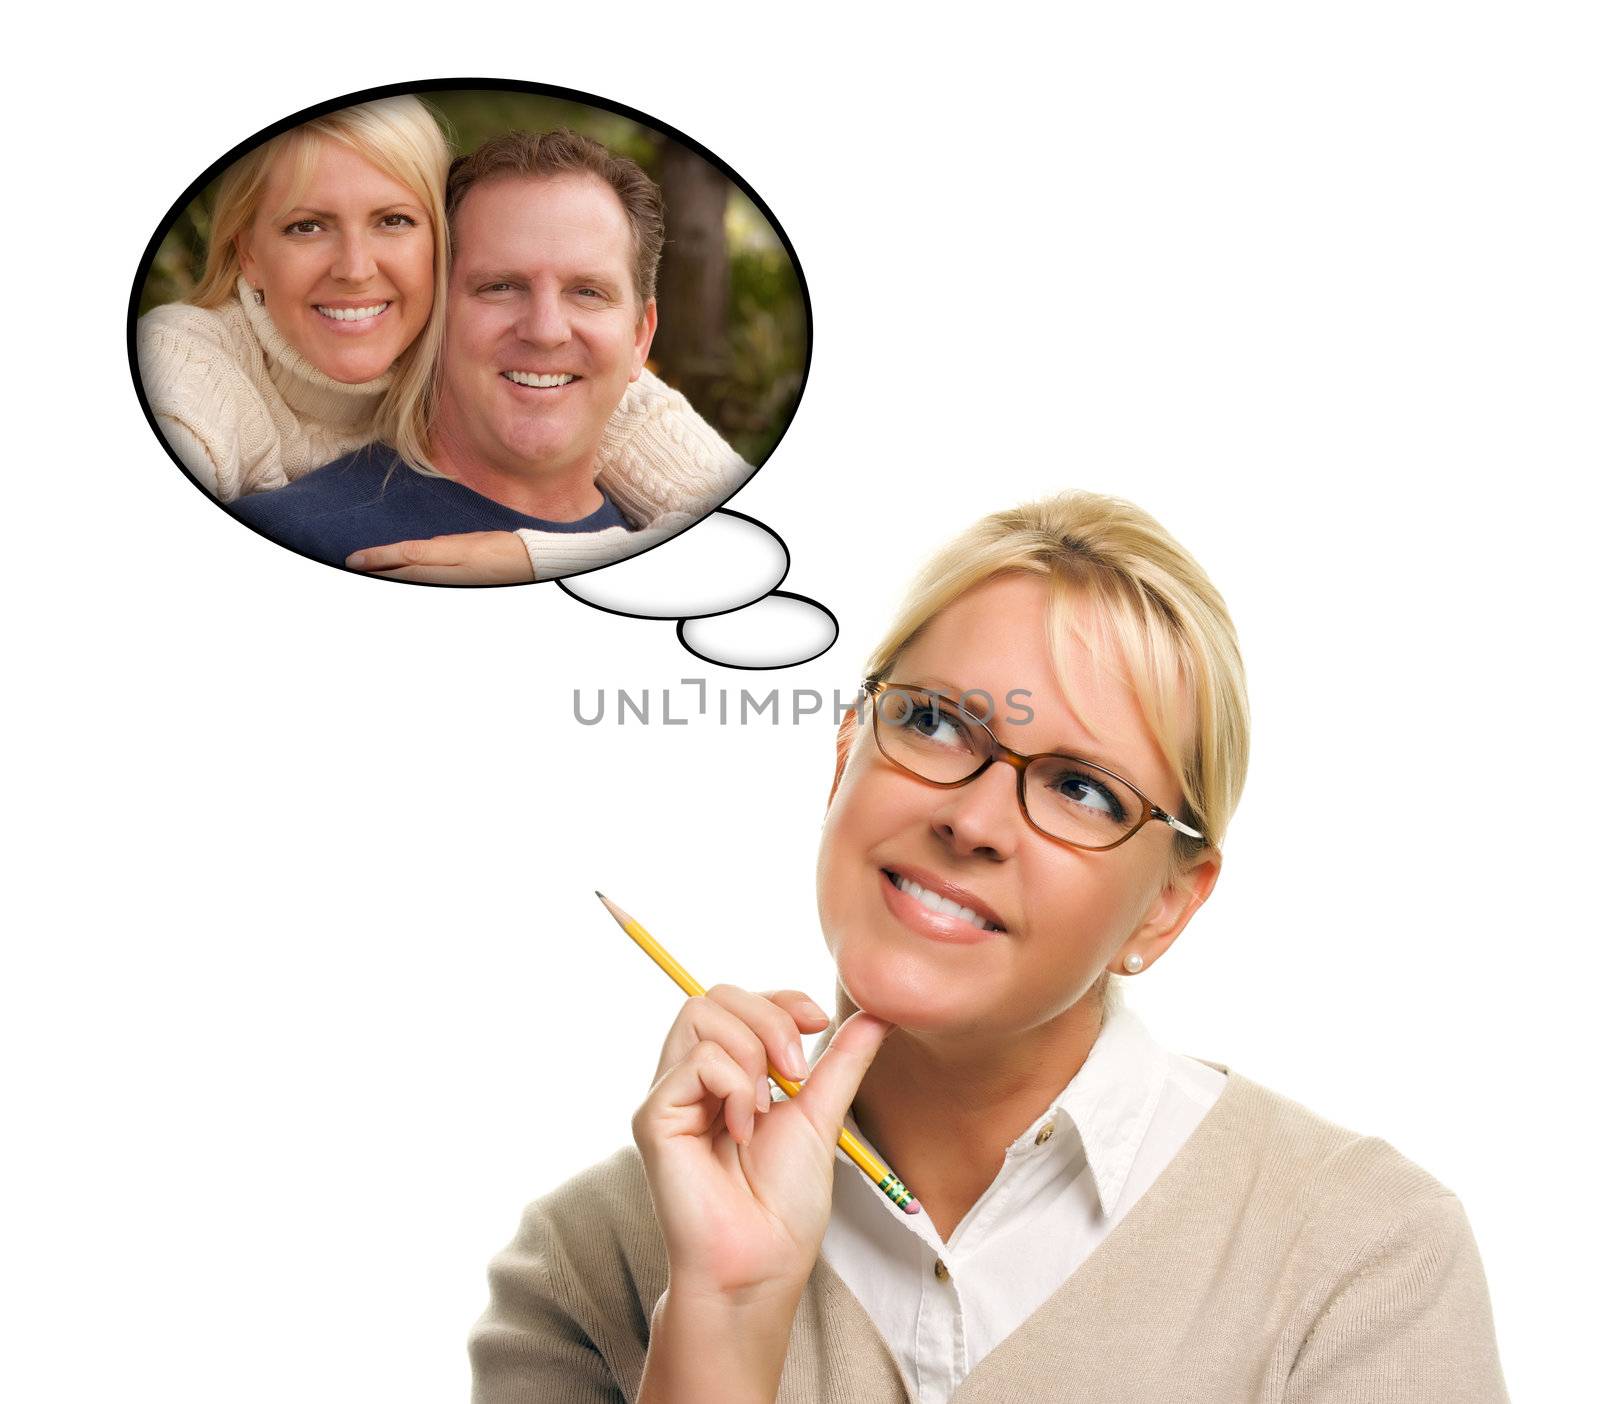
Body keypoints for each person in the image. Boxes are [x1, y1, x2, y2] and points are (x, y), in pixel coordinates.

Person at [467, 492, 1509, 1403]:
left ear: (1167, 908)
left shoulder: (1359, 1256)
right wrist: (724, 1317)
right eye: (931, 723)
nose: (972, 821)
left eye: (1079, 787)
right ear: (844, 759)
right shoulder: (587, 1264)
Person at [136, 104, 750, 583]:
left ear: (641, 337)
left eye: (588, 292)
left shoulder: (640, 434)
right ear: (441, 305)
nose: (545, 331)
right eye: (500, 286)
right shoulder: (193, 372)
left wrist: (551, 560)